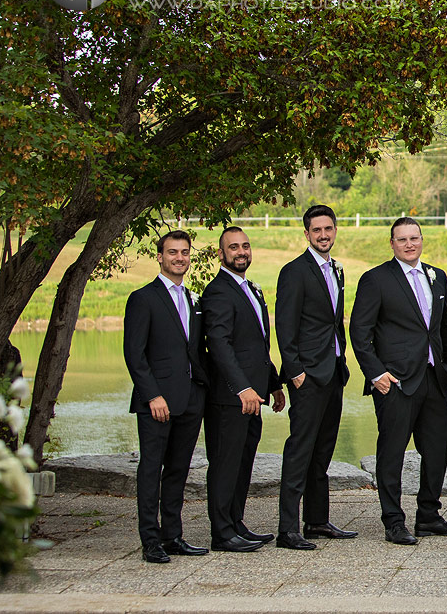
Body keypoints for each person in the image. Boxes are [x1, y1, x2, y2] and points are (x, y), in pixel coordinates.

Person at [350, 217, 447, 546]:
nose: (409, 244)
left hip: (434, 379)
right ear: (392, 244)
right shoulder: (376, 279)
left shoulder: (436, 276)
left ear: (422, 240)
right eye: (402, 239)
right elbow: (360, 332)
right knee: (392, 453)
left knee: (438, 449)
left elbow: (446, 328)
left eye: (415, 238)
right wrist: (376, 374)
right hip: (395, 382)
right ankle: (394, 521)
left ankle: (428, 514)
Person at [123, 230, 210, 564]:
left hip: (190, 399)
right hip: (157, 402)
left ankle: (172, 536)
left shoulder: (193, 299)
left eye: (185, 252)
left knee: (178, 469)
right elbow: (135, 355)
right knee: (151, 469)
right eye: (172, 252)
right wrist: (152, 396)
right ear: (160, 257)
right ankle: (150, 540)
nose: (179, 258)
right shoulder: (143, 298)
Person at [273, 205, 356, 550]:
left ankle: (317, 520)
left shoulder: (335, 270)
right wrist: (295, 373)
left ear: (335, 231)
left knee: (322, 452)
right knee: (300, 450)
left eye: (328, 229)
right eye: (317, 230)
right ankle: (288, 529)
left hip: (333, 372)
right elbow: (284, 325)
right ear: (306, 234)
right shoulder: (294, 271)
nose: (324, 235)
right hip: (307, 376)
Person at [201, 226, 286, 552]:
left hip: (254, 396)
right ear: (221, 254)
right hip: (230, 398)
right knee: (224, 464)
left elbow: (256, 347)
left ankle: (236, 523)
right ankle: (222, 533)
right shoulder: (219, 292)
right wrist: (242, 388)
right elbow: (219, 345)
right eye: (233, 247)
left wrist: (273, 384)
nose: (241, 252)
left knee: (242, 462)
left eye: (245, 246)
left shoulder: (251, 288)